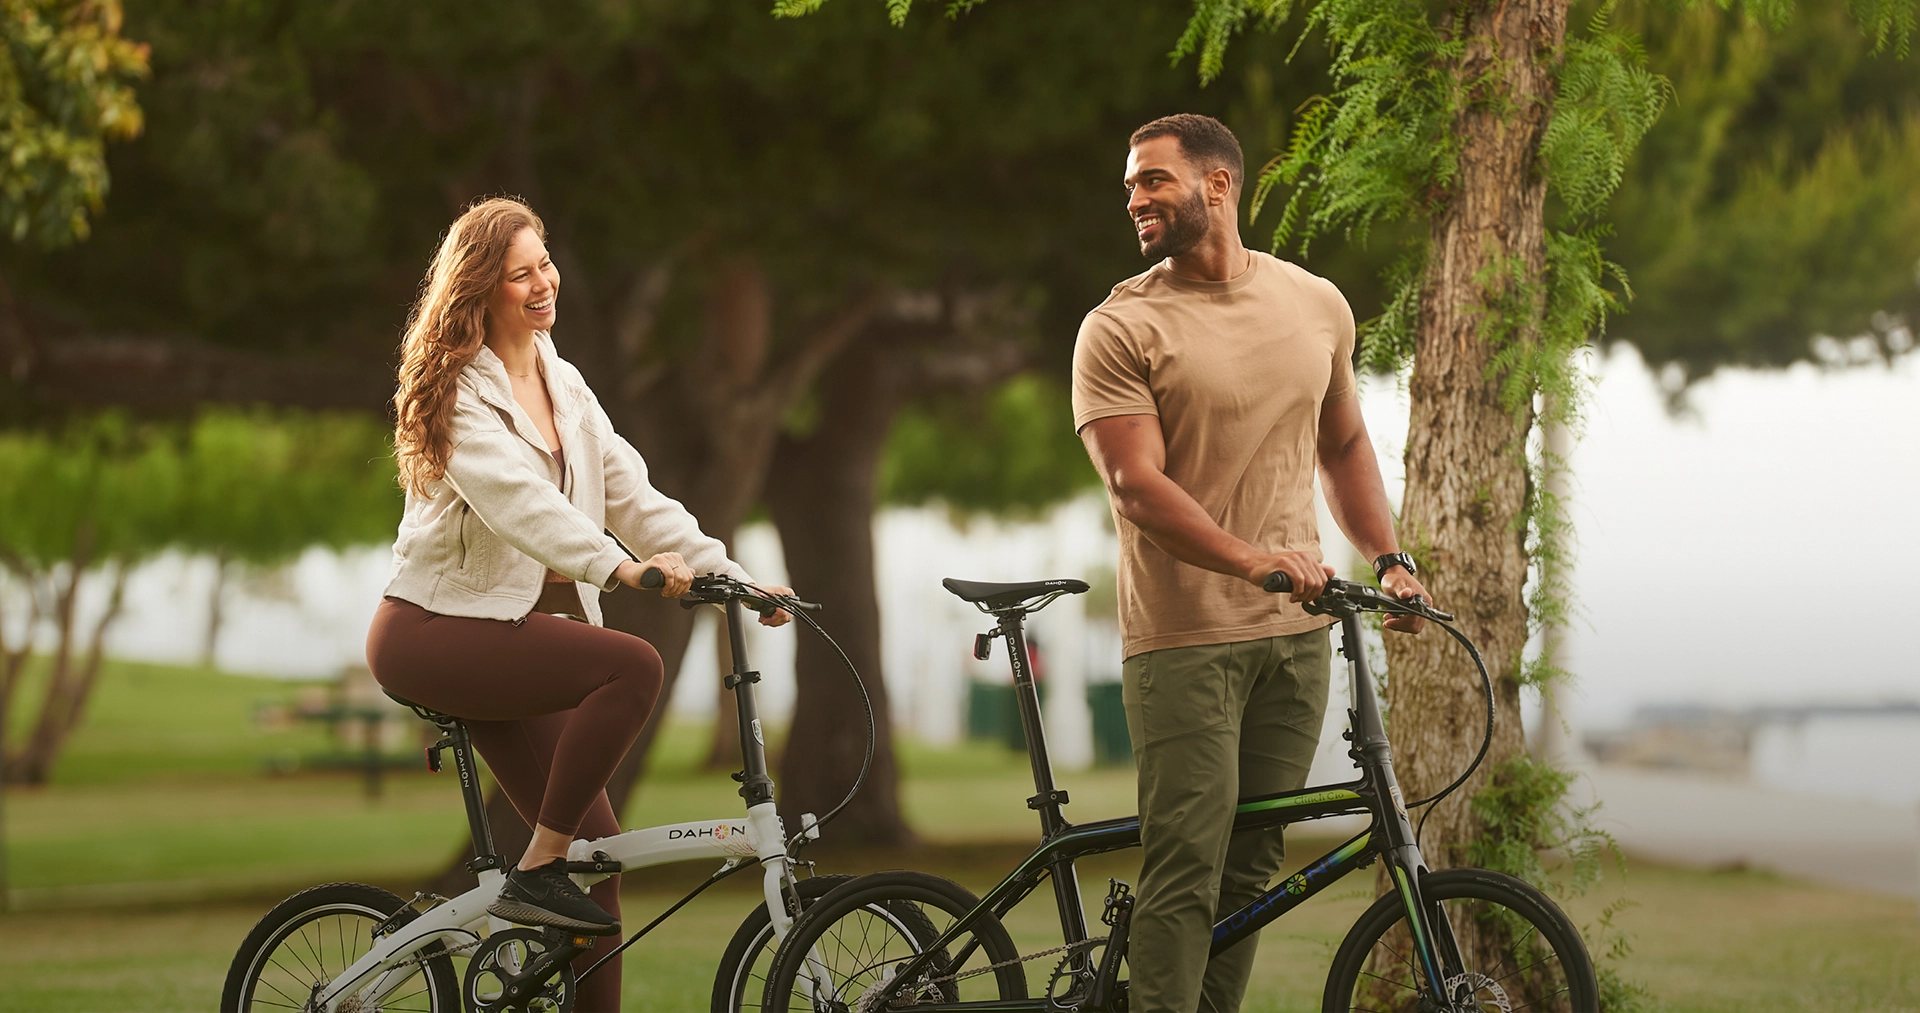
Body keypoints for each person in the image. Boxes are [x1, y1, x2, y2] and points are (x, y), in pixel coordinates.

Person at [364, 196, 789, 1013]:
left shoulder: (564, 381)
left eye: (545, 262)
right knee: (634, 663)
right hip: (430, 632)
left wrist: (731, 572)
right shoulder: (459, 393)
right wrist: (620, 571)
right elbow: (523, 505)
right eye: (519, 273)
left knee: (597, 882)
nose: (542, 282)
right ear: (481, 290)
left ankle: (552, 866)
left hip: (504, 636)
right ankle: (536, 867)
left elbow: (635, 494)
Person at [1071, 115, 1432, 1013]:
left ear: (1219, 185)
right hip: (1184, 636)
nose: (1136, 199)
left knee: (1253, 869)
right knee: (1186, 861)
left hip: (1295, 637)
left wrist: (1388, 559)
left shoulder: (1316, 303)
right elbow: (1136, 487)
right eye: (1130, 186)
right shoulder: (1120, 326)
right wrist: (1250, 560)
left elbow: (1344, 444)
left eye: (1153, 180)